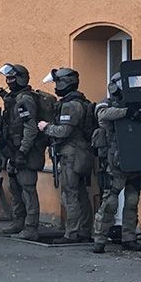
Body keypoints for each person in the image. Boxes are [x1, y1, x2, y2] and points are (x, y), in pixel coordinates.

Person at [0, 64, 44, 241]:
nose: (8, 82)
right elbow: (10, 101)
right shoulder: (17, 97)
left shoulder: (25, 100)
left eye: (11, 79)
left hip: (23, 152)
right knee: (15, 188)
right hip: (12, 151)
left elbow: (30, 127)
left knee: (27, 188)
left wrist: (23, 151)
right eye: (7, 79)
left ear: (21, 79)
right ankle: (19, 222)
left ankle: (31, 227)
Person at [92, 72, 141, 253]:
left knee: (132, 201)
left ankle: (129, 238)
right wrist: (127, 112)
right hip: (114, 163)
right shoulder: (106, 104)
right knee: (110, 203)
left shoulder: (137, 104)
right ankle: (99, 240)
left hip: (135, 159)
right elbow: (103, 114)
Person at [38, 68, 93, 244]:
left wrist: (46, 127)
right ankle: (84, 230)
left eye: (57, 83)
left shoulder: (71, 105)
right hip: (79, 153)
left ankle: (72, 233)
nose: (55, 87)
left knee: (70, 194)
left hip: (72, 154)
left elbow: (64, 131)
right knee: (81, 194)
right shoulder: (80, 102)